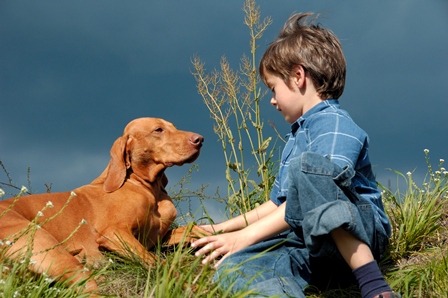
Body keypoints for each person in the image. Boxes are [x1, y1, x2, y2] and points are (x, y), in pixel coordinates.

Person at [191, 12, 400, 298]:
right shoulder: (297, 135)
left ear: (298, 76)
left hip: (359, 233)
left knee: (310, 170)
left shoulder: (333, 123)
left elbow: (323, 186)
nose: (273, 100)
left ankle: (374, 286)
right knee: (239, 266)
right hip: (309, 245)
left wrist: (245, 236)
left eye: (273, 88)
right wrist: (222, 228)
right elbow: (279, 204)